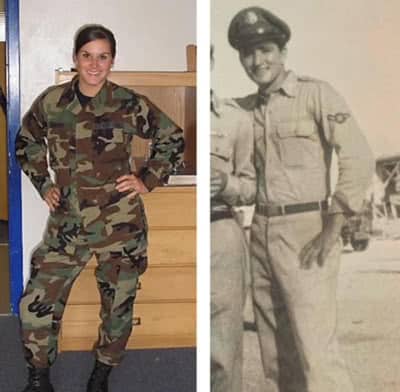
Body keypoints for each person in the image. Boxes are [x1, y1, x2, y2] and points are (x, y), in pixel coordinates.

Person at [15, 24, 184, 392]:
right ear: (75, 58)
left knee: (118, 306)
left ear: (112, 60)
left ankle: (101, 374)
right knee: (36, 301)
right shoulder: (53, 102)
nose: (94, 64)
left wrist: (147, 179)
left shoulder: (127, 103)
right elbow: (26, 143)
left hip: (119, 225)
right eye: (87, 55)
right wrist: (44, 184)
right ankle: (39, 376)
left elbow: (172, 137)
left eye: (103, 56)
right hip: (68, 225)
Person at [228, 7, 374, 392]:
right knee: (275, 354)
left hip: (306, 231)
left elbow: (358, 158)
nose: (257, 61)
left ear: (283, 50)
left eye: (265, 49)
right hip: (260, 231)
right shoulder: (247, 110)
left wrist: (334, 225)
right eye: (248, 53)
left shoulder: (315, 94)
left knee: (315, 351)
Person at [210, 45, 256, 392]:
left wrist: (227, 183)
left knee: (223, 349)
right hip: (180, 230)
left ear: (212, 62)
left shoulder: (236, 119)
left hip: (220, 233)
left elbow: (253, 186)